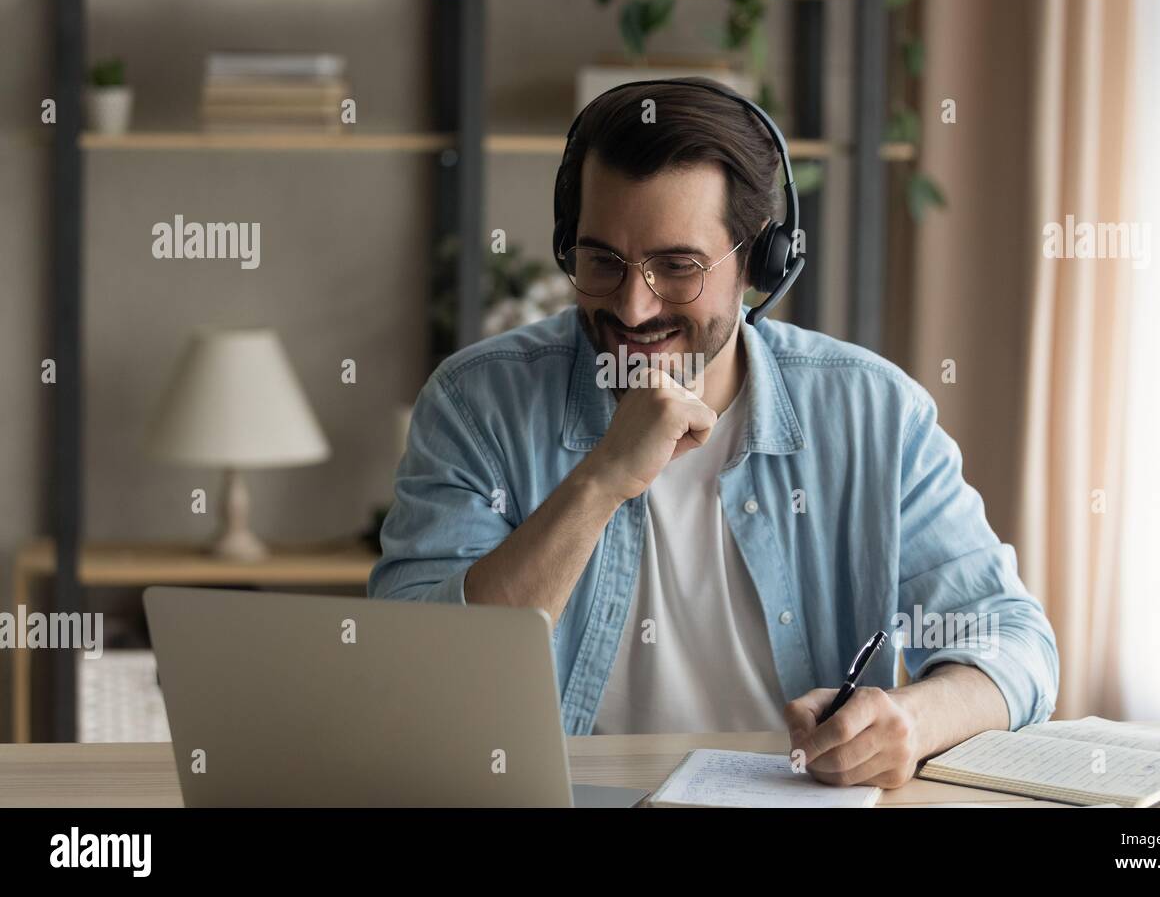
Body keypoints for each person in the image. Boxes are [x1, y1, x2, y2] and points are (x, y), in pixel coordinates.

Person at [370, 77, 1058, 789]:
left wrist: (912, 721)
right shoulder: (477, 402)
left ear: (762, 263)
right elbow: (414, 674)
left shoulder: (874, 414)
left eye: (677, 267)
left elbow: (1016, 644)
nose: (633, 309)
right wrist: (603, 479)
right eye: (602, 261)